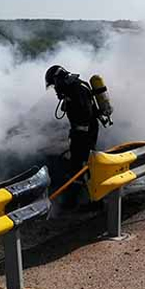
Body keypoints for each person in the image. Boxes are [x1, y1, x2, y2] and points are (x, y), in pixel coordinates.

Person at [45, 65, 102, 204]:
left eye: (54, 85)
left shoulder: (76, 89)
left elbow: (86, 113)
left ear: (58, 79)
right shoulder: (75, 87)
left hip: (84, 134)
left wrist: (78, 135)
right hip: (84, 132)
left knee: (80, 165)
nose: (55, 89)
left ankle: (86, 201)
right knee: (80, 164)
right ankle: (85, 198)